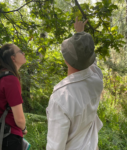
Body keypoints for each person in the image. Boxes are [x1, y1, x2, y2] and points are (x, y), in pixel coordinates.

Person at [46, 17, 103, 150]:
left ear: (66, 60)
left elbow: (55, 146)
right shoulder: (96, 79)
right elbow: (91, 63)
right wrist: (80, 34)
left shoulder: (60, 97)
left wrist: (79, 33)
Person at [0, 44, 27, 150]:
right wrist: (24, 129)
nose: (23, 53)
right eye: (20, 51)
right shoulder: (10, 79)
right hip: (9, 138)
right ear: (13, 58)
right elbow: (19, 119)